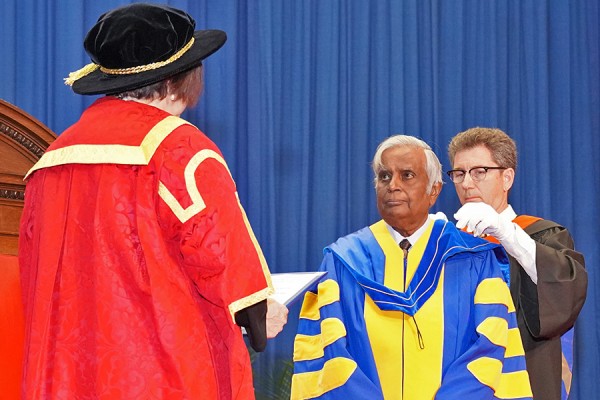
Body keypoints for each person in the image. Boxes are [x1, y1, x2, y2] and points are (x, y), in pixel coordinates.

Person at [19, 3, 287, 399]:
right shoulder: (179, 148)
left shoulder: (52, 160)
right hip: (161, 373)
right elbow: (222, 258)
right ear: (181, 77)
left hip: (67, 374)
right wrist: (260, 315)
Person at [291, 135, 533, 400]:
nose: (393, 186)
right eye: (384, 176)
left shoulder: (473, 258)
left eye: (407, 175)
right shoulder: (342, 262)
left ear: (434, 190)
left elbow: (490, 346)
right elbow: (329, 352)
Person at [446, 127, 587, 400]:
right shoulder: (449, 246)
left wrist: (506, 233)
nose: (466, 183)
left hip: (524, 382)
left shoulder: (541, 235)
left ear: (507, 177)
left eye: (479, 172)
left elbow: (565, 293)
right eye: (459, 173)